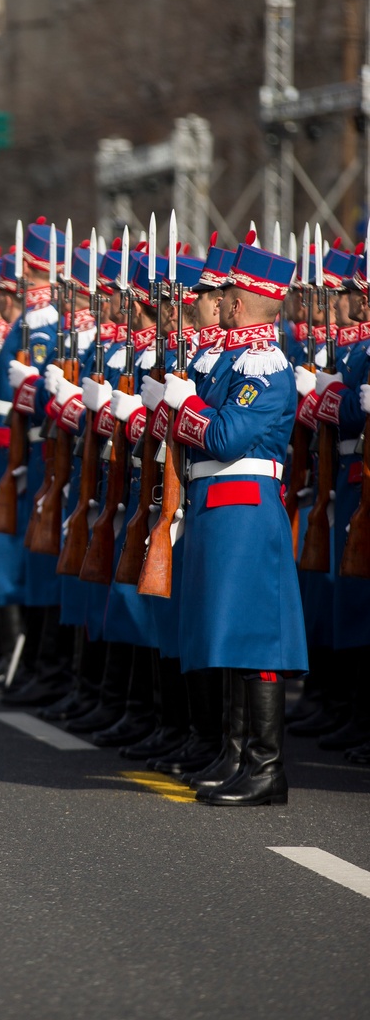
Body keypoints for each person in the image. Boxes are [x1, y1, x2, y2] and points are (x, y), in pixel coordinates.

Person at [164, 235, 305, 805]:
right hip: (217, 504)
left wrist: (183, 404)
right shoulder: (230, 361)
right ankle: (238, 754)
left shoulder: (264, 367)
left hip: (245, 506)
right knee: (227, 633)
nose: (217, 301)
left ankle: (267, 767)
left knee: (257, 639)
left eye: (226, 294)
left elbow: (224, 437)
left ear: (241, 303)